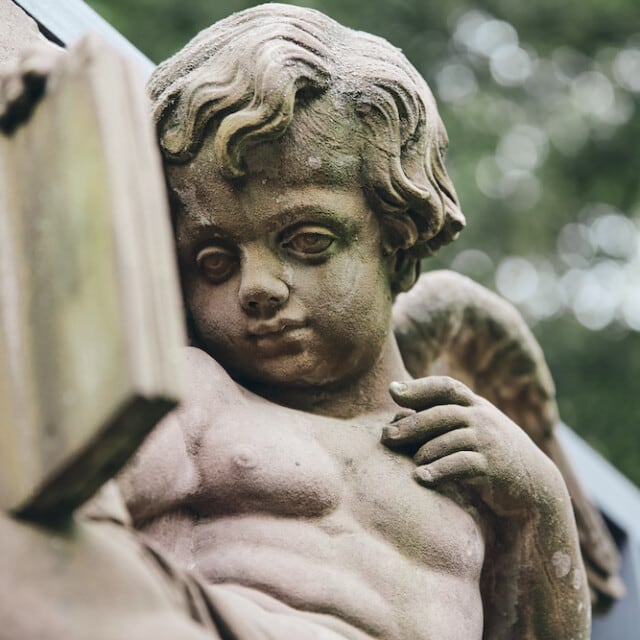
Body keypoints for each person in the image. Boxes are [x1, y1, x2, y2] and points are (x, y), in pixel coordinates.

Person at [119, 4, 591, 638]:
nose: (256, 287)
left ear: (396, 245)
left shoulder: (470, 463)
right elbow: (56, 516)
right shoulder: (195, 395)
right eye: (213, 261)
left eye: (307, 240)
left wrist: (541, 502)